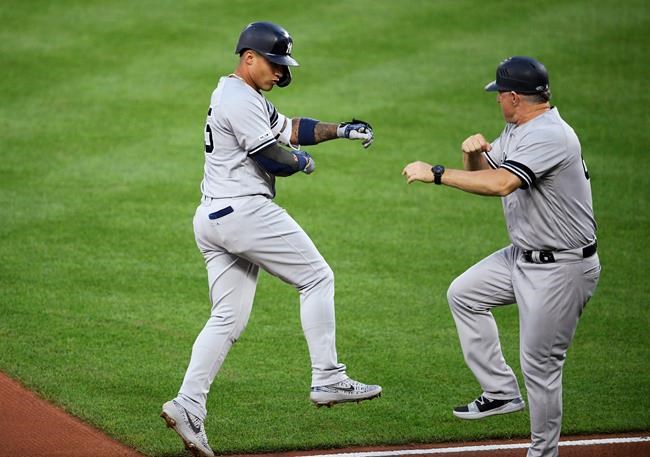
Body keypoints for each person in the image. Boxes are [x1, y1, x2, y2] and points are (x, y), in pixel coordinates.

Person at [160, 21, 381, 457]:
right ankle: (328, 377)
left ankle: (188, 403)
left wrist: (340, 130)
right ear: (249, 58)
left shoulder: (243, 96)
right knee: (317, 278)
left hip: (214, 215)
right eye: (275, 64)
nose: (280, 73)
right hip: (244, 212)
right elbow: (273, 156)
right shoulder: (238, 98)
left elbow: (290, 128)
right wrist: (302, 162)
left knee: (227, 319)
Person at [402, 56, 600, 457]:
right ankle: (499, 391)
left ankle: (543, 453)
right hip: (522, 257)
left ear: (513, 96)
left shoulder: (550, 135)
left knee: (541, 368)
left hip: (561, 268)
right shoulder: (519, 127)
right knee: (464, 293)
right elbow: (486, 173)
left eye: (499, 95)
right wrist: (472, 154)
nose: (496, 102)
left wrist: (436, 173)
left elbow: (503, 184)